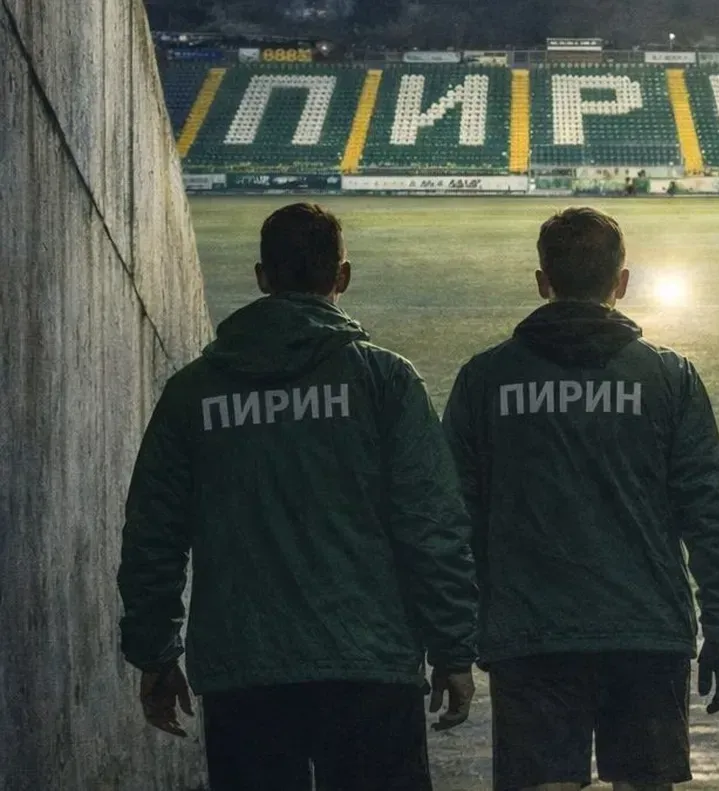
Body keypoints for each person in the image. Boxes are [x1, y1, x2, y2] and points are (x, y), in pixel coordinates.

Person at [118, 203, 478, 791]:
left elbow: (152, 534)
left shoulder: (192, 392)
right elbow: (432, 524)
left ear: (263, 277)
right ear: (343, 276)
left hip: (243, 668)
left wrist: (156, 653)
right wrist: (452, 649)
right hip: (370, 662)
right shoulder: (384, 380)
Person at [442, 207, 719, 791]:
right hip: (645, 629)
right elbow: (709, 511)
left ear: (542, 281)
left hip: (532, 631)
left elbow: (453, 519)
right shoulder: (669, 376)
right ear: (621, 283)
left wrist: (452, 643)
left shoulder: (484, 378)